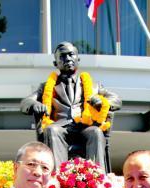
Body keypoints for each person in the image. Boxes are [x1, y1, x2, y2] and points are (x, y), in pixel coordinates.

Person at [20, 41, 121, 171]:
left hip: (85, 126)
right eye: (62, 56)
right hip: (60, 127)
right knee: (52, 130)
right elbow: (25, 102)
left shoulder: (94, 86)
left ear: (78, 59)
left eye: (71, 54)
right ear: (55, 63)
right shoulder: (46, 86)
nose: (67, 58)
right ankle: (57, 178)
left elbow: (116, 100)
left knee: (95, 132)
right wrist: (35, 104)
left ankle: (97, 176)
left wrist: (102, 102)